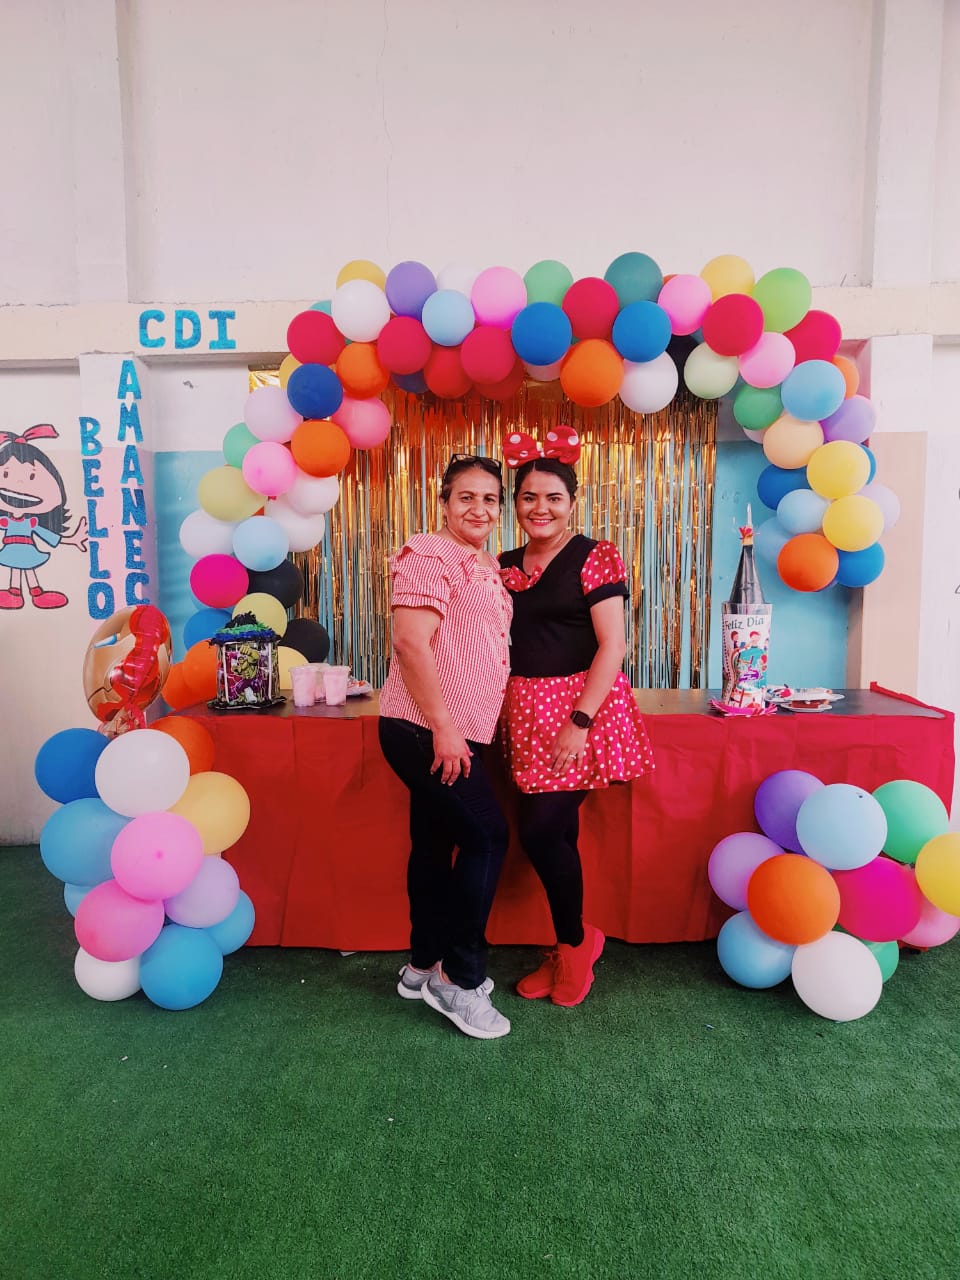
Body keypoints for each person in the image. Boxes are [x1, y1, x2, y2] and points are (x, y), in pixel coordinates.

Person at [499, 434, 655, 1007]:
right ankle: (571, 943)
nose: (540, 507)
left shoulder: (595, 555)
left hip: (579, 710)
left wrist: (580, 721)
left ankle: (575, 944)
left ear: (572, 501)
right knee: (557, 831)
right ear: (515, 503)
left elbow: (613, 644)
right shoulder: (502, 564)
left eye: (553, 498)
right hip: (524, 712)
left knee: (541, 831)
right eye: (529, 497)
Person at [378, 454, 514, 1040]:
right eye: (466, 497)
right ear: (444, 502)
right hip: (426, 729)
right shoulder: (432, 552)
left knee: (434, 844)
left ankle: (421, 965)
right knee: (488, 836)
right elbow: (410, 642)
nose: (479, 509)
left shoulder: (482, 563)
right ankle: (458, 979)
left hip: (452, 730)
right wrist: (444, 726)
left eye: (490, 499)